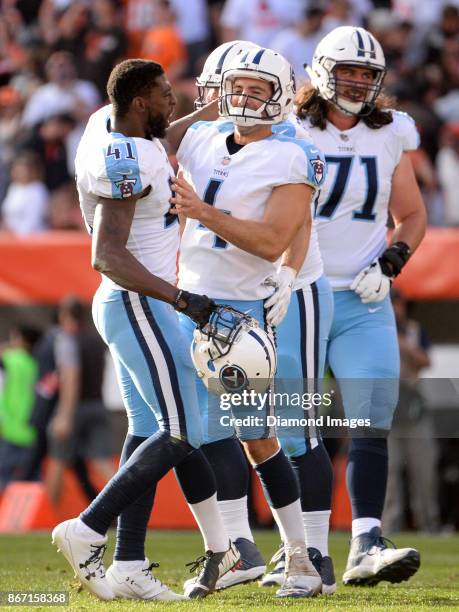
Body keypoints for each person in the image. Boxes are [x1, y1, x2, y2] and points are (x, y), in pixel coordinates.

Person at [51, 59, 241, 602]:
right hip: (138, 300)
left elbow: (157, 144)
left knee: (148, 427)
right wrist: (182, 298)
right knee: (184, 429)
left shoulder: (112, 125)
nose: (172, 99)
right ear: (139, 102)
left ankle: (129, 560)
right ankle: (87, 527)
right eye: (163, 93)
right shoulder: (123, 159)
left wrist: (214, 111)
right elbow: (106, 254)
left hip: (131, 303)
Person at [268, 26, 426, 587]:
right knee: (293, 427)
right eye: (349, 71)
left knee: (371, 416)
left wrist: (389, 264)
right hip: (297, 291)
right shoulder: (287, 124)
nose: (359, 82)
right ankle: (299, 551)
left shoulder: (390, 134)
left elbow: (411, 214)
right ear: (320, 71)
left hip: (361, 297)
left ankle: (366, 541)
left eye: (368, 73)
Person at [171, 46, 325, 599]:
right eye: (236, 86)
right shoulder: (203, 135)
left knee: (257, 436)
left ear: (281, 94)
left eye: (257, 88)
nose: (243, 96)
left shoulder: (293, 155)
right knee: (193, 433)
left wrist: (204, 213)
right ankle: (236, 551)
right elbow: (152, 132)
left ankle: (303, 560)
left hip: (238, 310)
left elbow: (275, 237)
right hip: (188, 299)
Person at [45, 296, 115, 506]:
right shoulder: (95, 339)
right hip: (97, 405)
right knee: (102, 461)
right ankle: (129, 509)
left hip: (74, 408)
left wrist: (64, 415)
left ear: (63, 315)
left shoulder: (66, 339)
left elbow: (71, 376)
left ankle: (50, 518)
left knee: (57, 460)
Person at [0, 324, 41, 489]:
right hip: (31, 426)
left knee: (4, 474)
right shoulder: (35, 363)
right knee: (32, 476)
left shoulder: (10, 359)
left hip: (10, 424)